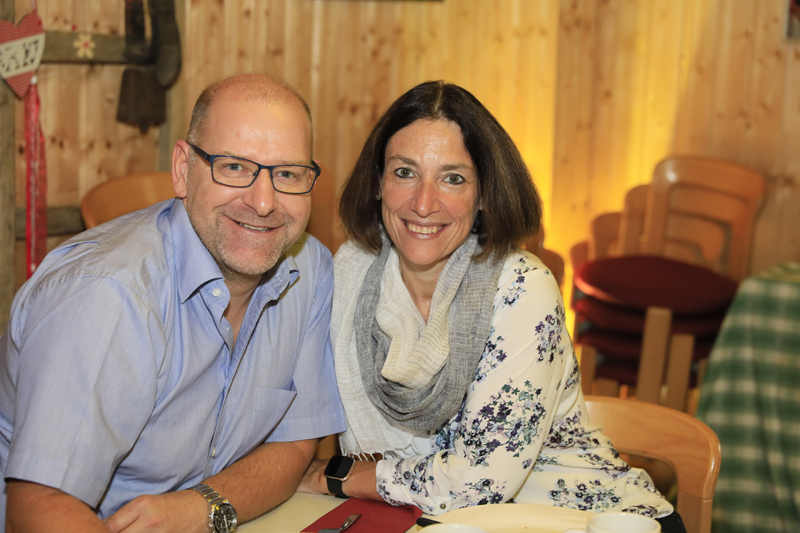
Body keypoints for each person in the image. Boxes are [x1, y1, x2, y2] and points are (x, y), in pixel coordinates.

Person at [299, 81, 685, 533]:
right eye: (405, 172)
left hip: (591, 521)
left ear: (484, 195)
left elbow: (477, 484)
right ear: (378, 183)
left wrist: (338, 475)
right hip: (435, 519)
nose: (423, 203)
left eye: (453, 178)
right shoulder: (350, 274)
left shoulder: (523, 289)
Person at [0, 73, 346, 532]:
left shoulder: (311, 270)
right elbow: (38, 509)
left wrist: (204, 507)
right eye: (234, 167)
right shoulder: (109, 295)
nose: (264, 202)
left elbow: (295, 445)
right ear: (183, 169)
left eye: (286, 174)